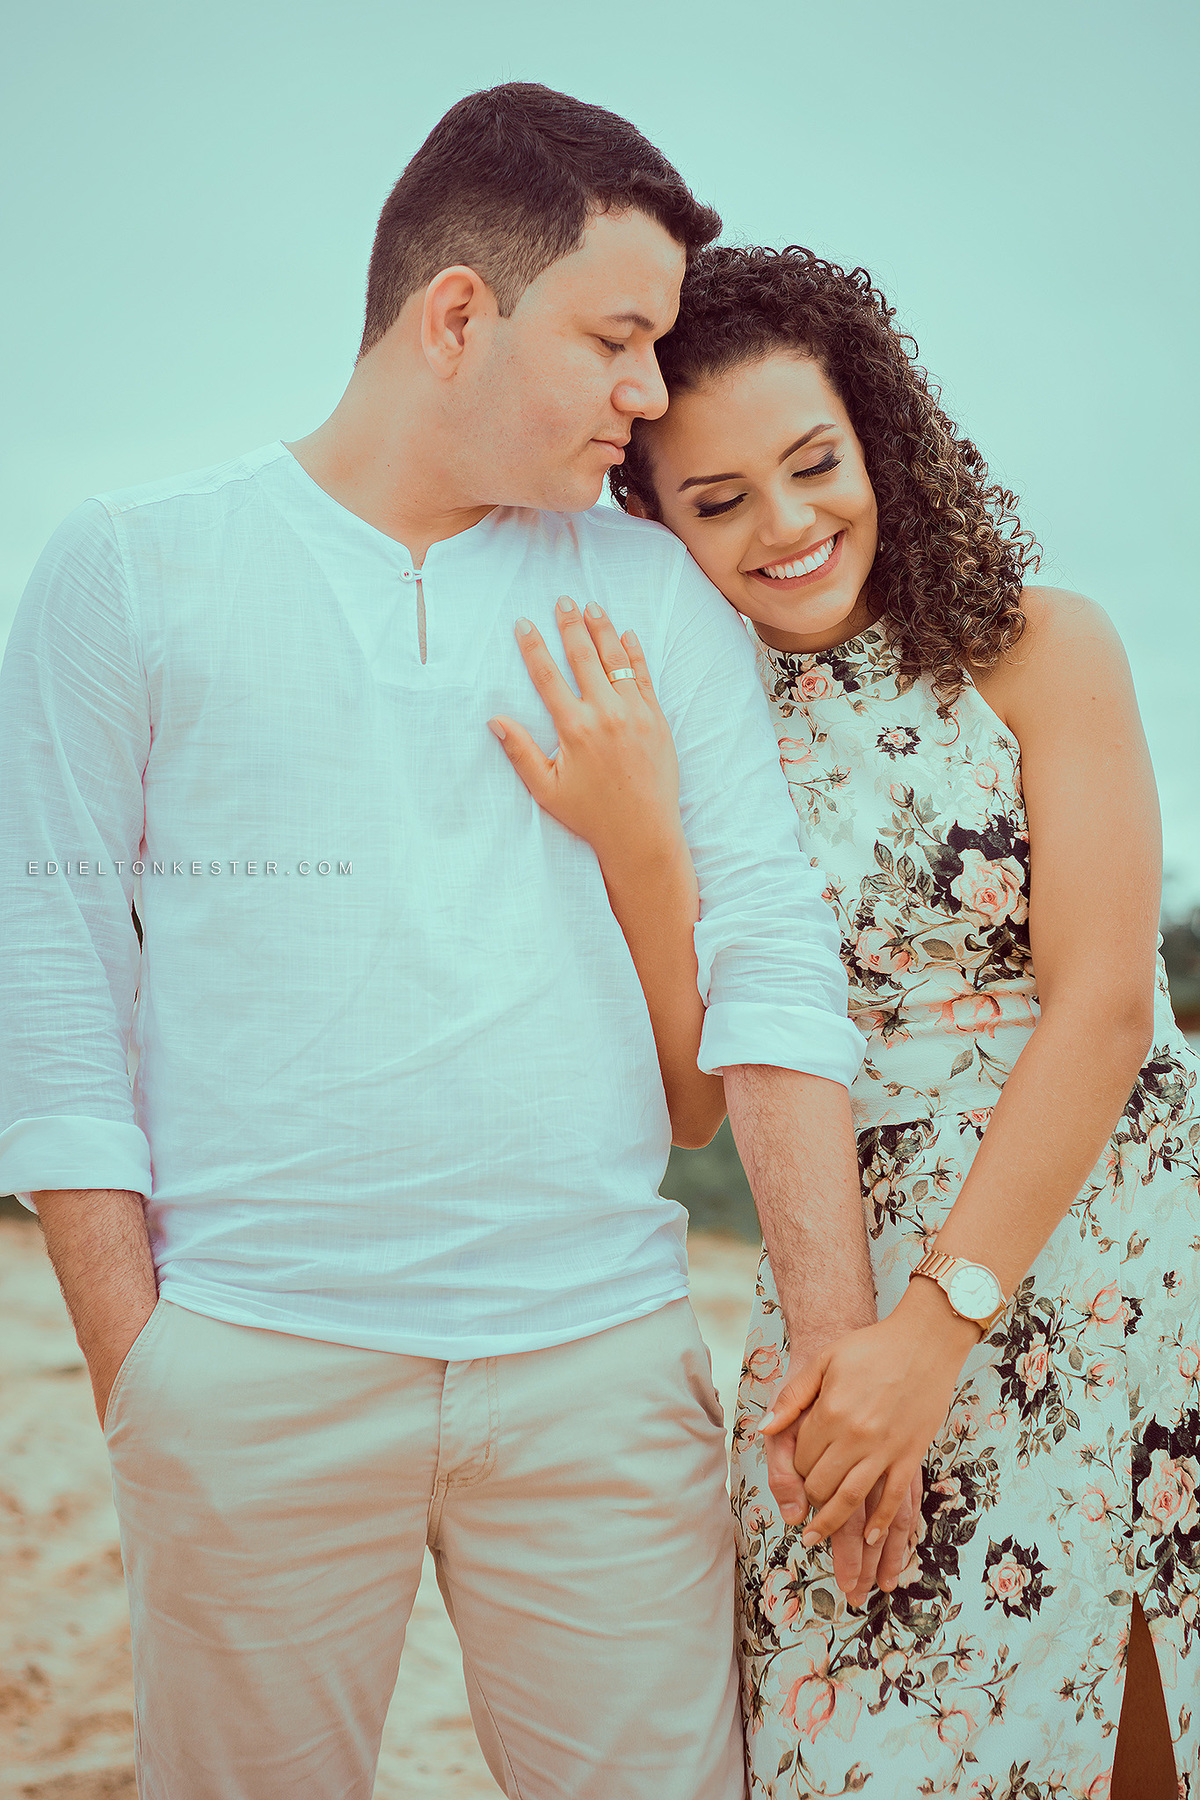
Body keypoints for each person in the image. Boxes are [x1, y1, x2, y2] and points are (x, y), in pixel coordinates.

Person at [0, 93, 924, 1800]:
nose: (652, 395)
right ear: (456, 318)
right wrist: (151, 1383)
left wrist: (827, 1341)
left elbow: (772, 954)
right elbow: (54, 978)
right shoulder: (133, 572)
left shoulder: (656, 594)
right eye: (618, 339)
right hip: (253, 1374)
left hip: (600, 1372)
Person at [497, 244, 1200, 1797]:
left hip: (1112, 1242)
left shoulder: (1040, 644)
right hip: (842, 1282)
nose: (788, 525)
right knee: (857, 1729)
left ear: (878, 432)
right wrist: (637, 841)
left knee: (1140, 1702)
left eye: (814, 464)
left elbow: (1101, 1011)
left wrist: (938, 1328)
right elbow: (693, 1107)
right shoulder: (679, 715)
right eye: (718, 498)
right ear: (653, 520)